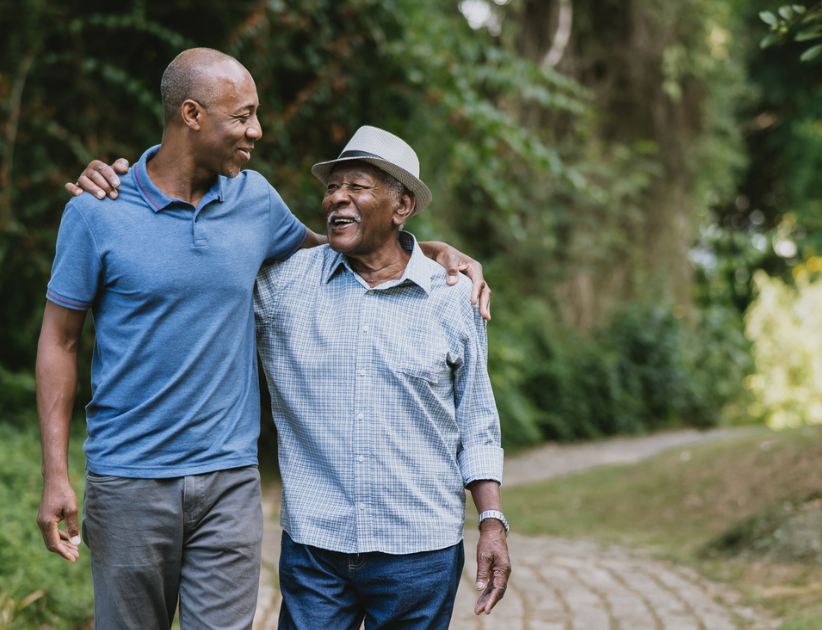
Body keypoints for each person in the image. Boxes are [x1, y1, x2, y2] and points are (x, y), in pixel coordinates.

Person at [36, 48, 490, 630]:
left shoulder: (254, 200)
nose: (256, 130)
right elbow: (60, 341)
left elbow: (341, 249)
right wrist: (54, 473)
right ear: (192, 114)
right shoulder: (98, 211)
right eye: (243, 116)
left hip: (229, 481)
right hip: (127, 480)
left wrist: (429, 252)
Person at [254, 126, 509, 629]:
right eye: (332, 187)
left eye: (358, 186)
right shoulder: (284, 286)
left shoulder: (453, 298)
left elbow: (478, 423)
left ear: (402, 206)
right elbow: (195, 273)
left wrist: (492, 520)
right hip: (315, 549)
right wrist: (127, 191)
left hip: (421, 551)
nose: (337, 198)